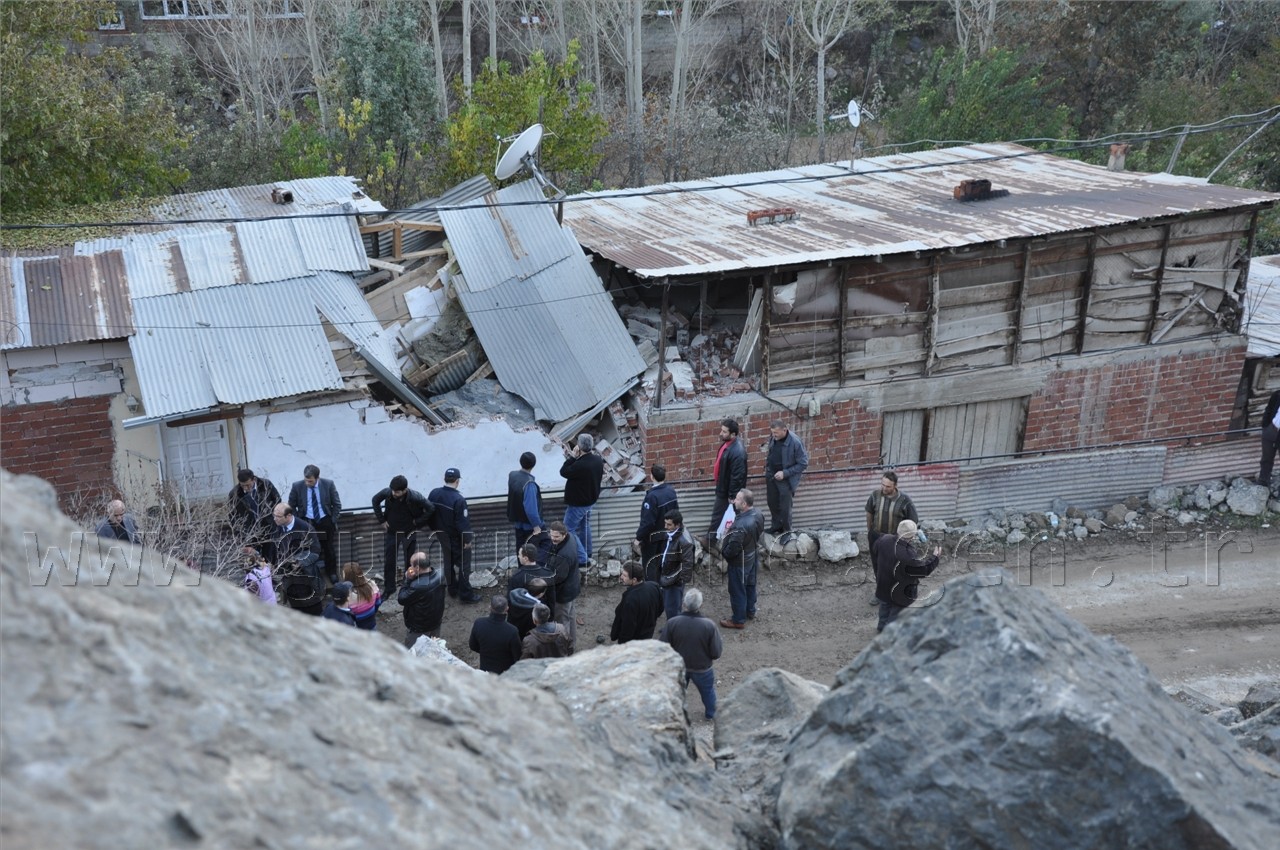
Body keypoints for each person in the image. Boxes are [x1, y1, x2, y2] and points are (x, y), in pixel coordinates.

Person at [658, 589, 723, 720]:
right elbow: (716, 652)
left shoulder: (672, 623)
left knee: (678, 693)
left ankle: (676, 715)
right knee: (708, 693)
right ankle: (712, 715)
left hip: (680, 667)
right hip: (702, 668)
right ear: (700, 605)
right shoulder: (709, 625)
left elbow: (663, 647)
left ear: (684, 604)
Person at [372, 475, 435, 599]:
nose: (394, 493)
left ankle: (409, 584)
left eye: (397, 491)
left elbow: (431, 508)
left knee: (410, 561)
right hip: (392, 532)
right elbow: (375, 500)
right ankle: (389, 588)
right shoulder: (388, 493)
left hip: (409, 532)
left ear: (405, 490)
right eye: (393, 490)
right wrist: (382, 520)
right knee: (389, 561)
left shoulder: (415, 497)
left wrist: (417, 522)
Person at [873, 519, 942, 633]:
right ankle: (888, 636)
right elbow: (922, 570)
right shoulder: (907, 554)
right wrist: (935, 558)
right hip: (899, 591)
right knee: (896, 613)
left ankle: (881, 627)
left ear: (898, 530)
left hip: (883, 584)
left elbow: (875, 551)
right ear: (913, 536)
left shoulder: (883, 540)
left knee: (884, 606)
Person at [865, 470, 919, 605]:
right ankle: (880, 594)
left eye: (888, 486)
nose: (884, 488)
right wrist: (870, 530)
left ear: (895, 486)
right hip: (876, 537)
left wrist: (904, 540)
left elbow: (912, 521)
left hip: (894, 541)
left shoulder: (905, 500)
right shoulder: (875, 495)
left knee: (893, 567)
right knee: (878, 566)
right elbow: (869, 512)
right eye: (882, 484)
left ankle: (895, 592)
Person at [429, 468, 481, 603]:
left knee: (448, 561)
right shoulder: (458, 500)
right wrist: (467, 540)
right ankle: (465, 595)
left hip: (441, 535)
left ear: (444, 479)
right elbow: (462, 523)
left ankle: (452, 589)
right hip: (456, 538)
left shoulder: (434, 493)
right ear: (457, 481)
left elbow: (429, 513)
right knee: (464, 565)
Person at [288, 464, 342, 584]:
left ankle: (332, 573)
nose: (307, 483)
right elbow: (291, 505)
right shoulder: (297, 486)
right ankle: (311, 576)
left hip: (325, 521)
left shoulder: (328, 484)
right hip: (307, 522)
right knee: (307, 549)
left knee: (328, 548)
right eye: (306, 480)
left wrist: (332, 520)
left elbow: (337, 504)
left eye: (310, 481)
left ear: (317, 478)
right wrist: (298, 521)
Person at [719, 489, 764, 630]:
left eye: (737, 499)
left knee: (737, 589)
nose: (734, 501)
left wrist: (724, 552)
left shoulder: (741, 525)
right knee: (750, 585)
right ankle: (750, 611)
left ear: (744, 504)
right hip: (752, 556)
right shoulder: (759, 514)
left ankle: (738, 620)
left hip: (740, 562)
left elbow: (733, 548)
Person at [560, 434, 604, 568]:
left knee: (568, 529)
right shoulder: (598, 460)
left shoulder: (580, 465)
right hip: (590, 500)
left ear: (579, 446)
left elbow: (563, 471)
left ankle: (582, 559)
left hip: (578, 503)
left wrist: (573, 457)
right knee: (585, 525)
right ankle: (588, 552)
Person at [634, 464, 679, 580]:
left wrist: (638, 538)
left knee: (650, 565)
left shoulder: (652, 497)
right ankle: (661, 586)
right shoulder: (671, 491)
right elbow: (676, 514)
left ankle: (651, 589)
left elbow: (648, 522)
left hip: (652, 539)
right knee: (661, 562)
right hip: (666, 535)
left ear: (652, 476)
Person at [763, 421, 809, 535]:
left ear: (785, 430)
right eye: (772, 433)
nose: (774, 435)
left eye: (776, 433)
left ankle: (787, 531)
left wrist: (785, 473)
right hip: (772, 476)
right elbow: (771, 452)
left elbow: (803, 463)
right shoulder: (774, 437)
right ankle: (776, 526)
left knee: (785, 507)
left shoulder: (795, 442)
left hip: (786, 480)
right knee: (772, 502)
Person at [707, 419, 747, 543]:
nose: (721, 433)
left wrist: (732, 495)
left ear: (733, 434)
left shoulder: (737, 451)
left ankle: (711, 541)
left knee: (718, 516)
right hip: (723, 487)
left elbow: (737, 476)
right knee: (723, 516)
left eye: (724, 432)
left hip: (726, 492)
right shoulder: (728, 444)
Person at [268, 503, 323, 592]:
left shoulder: (305, 528)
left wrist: (299, 562)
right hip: (284, 573)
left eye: (278, 516)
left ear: (288, 516)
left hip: (303, 573)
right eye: (274, 515)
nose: (275, 519)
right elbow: (272, 547)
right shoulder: (275, 526)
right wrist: (271, 563)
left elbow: (315, 551)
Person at [399, 551, 446, 648]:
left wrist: (407, 579)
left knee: (413, 652)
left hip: (419, 629)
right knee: (434, 649)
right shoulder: (440, 574)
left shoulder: (417, 586)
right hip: (436, 623)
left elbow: (402, 599)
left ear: (417, 568)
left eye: (411, 565)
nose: (410, 567)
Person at [546, 521, 582, 649]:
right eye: (551, 535)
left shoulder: (563, 555)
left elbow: (557, 578)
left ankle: (564, 648)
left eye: (556, 537)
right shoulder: (570, 538)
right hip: (572, 588)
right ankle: (571, 643)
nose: (553, 539)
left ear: (564, 534)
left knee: (562, 622)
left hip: (563, 594)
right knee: (570, 617)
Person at [655, 511, 696, 620]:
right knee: (670, 606)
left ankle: (674, 631)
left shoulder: (684, 541)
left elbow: (687, 564)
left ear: (677, 525)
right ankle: (672, 626)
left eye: (669, 524)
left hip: (674, 580)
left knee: (672, 608)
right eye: (665, 523)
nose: (665, 527)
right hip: (668, 576)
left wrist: (679, 581)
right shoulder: (672, 533)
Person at [610, 561, 663, 644]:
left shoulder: (630, 599)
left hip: (634, 641)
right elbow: (660, 609)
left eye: (624, 575)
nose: (621, 577)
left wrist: (623, 643)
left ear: (634, 580)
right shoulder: (654, 586)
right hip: (648, 633)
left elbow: (628, 626)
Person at [469, 596, 522, 674]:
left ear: (490, 607)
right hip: (505, 670)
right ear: (507, 609)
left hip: (485, 667)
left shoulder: (479, 623)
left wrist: (486, 652)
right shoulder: (512, 631)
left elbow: (472, 646)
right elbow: (517, 655)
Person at [228, 469, 280, 547]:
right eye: (243, 485)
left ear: (254, 480)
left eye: (248, 485)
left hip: (269, 527)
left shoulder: (265, 485)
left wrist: (273, 516)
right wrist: (240, 533)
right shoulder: (235, 494)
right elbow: (232, 516)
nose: (246, 488)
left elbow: (277, 501)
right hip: (250, 531)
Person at [507, 451, 545, 553]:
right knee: (534, 552)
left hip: (518, 522)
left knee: (521, 549)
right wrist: (536, 526)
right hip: (530, 526)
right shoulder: (529, 484)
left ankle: (522, 568)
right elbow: (531, 509)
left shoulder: (512, 475)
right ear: (534, 465)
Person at [342, 562, 381, 631]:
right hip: (371, 625)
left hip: (356, 629)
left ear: (348, 577)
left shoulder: (346, 594)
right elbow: (378, 602)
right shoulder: (372, 585)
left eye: (343, 574)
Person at [508, 577, 549, 641]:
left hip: (512, 631)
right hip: (525, 636)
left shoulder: (514, 597)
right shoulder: (537, 609)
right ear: (541, 594)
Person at [1258, 389, 1280, 488]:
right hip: (1272, 429)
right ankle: (1263, 481)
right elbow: (1269, 409)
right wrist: (1266, 426)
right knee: (1266, 458)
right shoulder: (1277, 394)